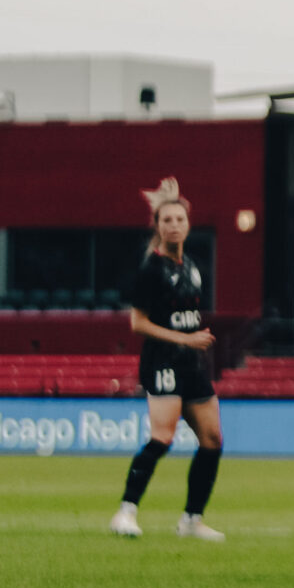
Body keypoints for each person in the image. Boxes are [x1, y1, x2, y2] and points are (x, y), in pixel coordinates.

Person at [109, 180, 225, 541]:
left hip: (191, 364)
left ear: (188, 224)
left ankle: (192, 520)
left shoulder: (192, 265)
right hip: (162, 362)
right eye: (166, 219)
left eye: (179, 219)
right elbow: (138, 323)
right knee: (162, 437)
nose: (174, 225)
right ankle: (126, 511)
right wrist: (186, 338)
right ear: (157, 226)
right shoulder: (151, 269)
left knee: (213, 440)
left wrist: (194, 340)